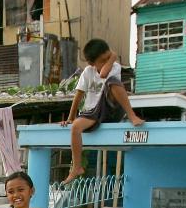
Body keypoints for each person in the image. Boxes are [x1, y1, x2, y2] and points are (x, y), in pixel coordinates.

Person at [60, 38, 144, 184]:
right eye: (102, 60)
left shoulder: (115, 67)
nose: (107, 62)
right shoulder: (87, 72)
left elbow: (104, 74)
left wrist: (111, 59)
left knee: (113, 82)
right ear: (91, 63)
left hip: (111, 109)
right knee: (75, 128)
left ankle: (132, 115)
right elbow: (78, 96)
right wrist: (71, 118)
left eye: (108, 58)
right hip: (92, 112)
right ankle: (77, 167)